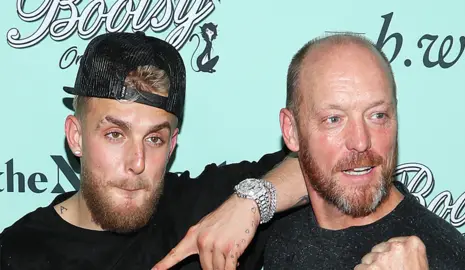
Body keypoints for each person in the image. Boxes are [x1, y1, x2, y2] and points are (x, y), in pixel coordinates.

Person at [0, 31, 308, 270]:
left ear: (172, 144)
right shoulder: (21, 252)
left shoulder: (202, 209)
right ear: (76, 136)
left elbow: (321, 163)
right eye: (115, 134)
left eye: (154, 139)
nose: (137, 163)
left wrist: (251, 202)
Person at [257, 33, 465, 269]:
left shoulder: (444, 259)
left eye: (377, 115)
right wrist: (247, 203)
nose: (361, 141)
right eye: (334, 119)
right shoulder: (278, 230)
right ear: (291, 131)